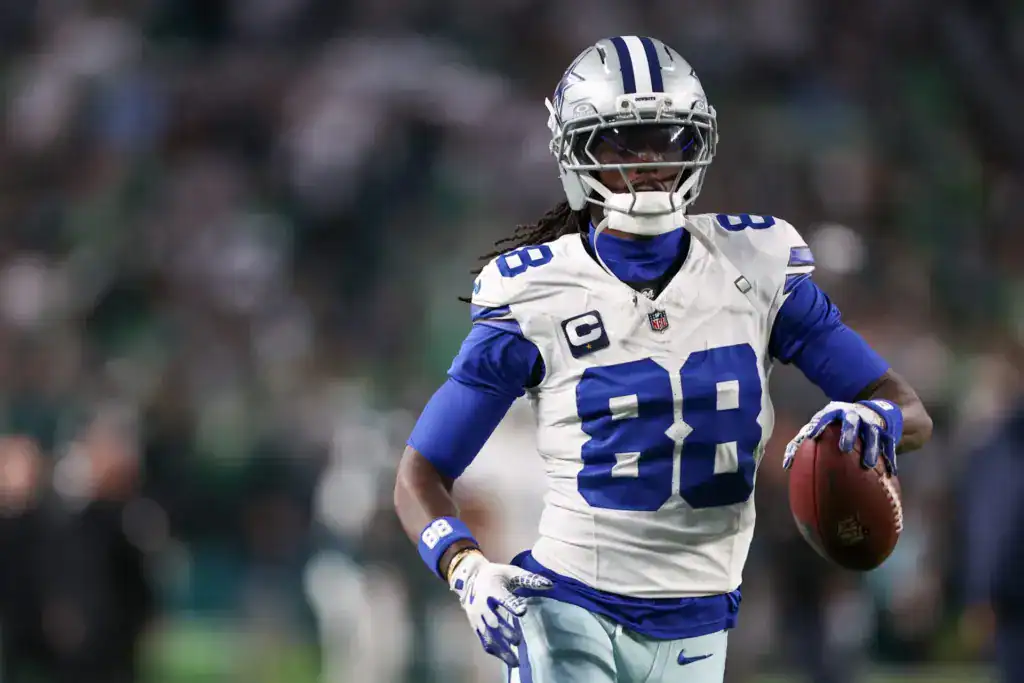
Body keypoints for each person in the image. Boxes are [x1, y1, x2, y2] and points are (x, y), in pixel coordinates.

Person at [393, 35, 933, 683]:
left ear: (696, 144)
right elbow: (419, 473)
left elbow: (907, 406)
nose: (648, 162)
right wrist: (464, 565)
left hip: (700, 618)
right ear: (577, 152)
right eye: (623, 142)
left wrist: (881, 420)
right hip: (568, 605)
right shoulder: (533, 293)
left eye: (666, 139)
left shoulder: (756, 265)